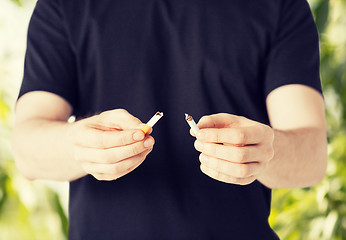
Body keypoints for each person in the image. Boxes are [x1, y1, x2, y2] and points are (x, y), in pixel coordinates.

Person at [12, 0, 328, 239]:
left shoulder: (280, 4)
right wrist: (77, 146)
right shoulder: (65, 4)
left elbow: (312, 156)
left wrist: (265, 152)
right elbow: (27, 151)